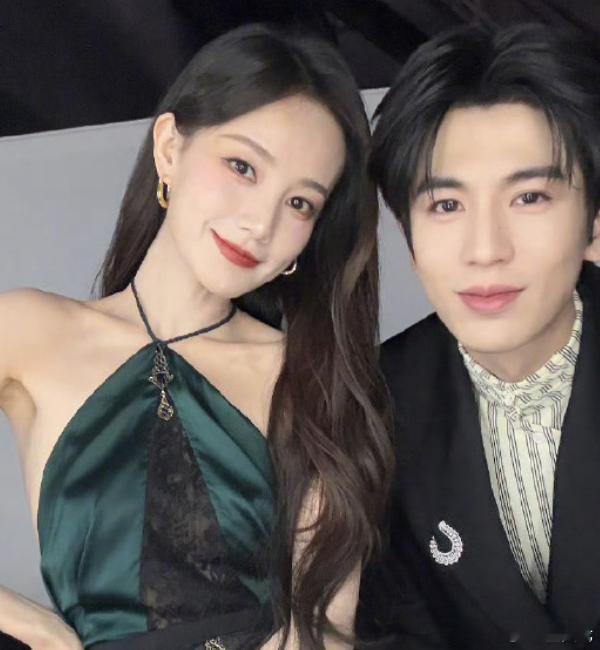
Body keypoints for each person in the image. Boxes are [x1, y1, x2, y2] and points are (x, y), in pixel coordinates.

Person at [0, 23, 393, 650]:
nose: (260, 222)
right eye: (243, 166)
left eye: (300, 203)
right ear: (169, 149)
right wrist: (37, 629)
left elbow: (322, 627)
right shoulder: (29, 330)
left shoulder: (310, 376)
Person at [357, 22, 600, 650]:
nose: (485, 249)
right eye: (446, 206)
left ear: (594, 222)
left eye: (530, 197)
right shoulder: (371, 406)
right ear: (408, 233)